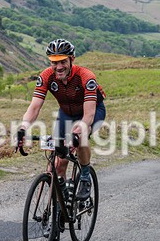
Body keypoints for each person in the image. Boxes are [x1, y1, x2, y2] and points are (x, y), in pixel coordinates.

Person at [15, 39, 106, 200]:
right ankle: (62, 200)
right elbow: (34, 107)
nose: (58, 67)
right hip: (66, 113)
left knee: (82, 135)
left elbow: (88, 116)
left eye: (63, 61)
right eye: (54, 62)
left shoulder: (86, 77)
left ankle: (85, 176)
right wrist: (23, 128)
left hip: (91, 112)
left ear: (72, 59)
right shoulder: (46, 76)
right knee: (57, 164)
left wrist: (76, 133)